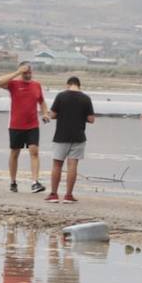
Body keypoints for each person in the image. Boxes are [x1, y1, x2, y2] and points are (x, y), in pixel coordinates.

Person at [0, 61, 48, 193]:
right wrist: (18, 72)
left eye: (30, 72)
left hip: (32, 125)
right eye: (25, 72)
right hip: (16, 125)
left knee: (34, 151)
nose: (28, 75)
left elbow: (42, 101)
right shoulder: (13, 84)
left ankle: (35, 182)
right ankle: (13, 181)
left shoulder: (36, 85)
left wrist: (45, 113)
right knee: (15, 153)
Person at [45, 76, 95, 204]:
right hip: (78, 137)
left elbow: (53, 114)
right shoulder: (86, 98)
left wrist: (59, 114)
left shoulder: (61, 96)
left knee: (57, 165)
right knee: (72, 166)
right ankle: (68, 195)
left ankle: (54, 194)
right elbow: (91, 119)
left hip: (61, 136)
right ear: (79, 85)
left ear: (68, 84)